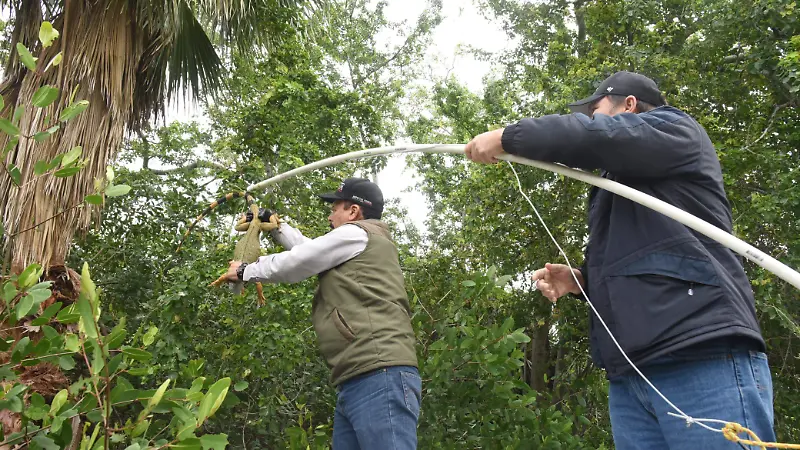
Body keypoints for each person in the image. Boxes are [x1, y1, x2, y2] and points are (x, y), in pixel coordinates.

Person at [463, 71, 775, 449]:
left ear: (628, 105)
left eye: (595, 111)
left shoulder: (674, 129)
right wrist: (583, 280)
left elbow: (596, 136)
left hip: (700, 351)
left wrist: (507, 137)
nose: (591, 120)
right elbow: (644, 252)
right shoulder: (620, 181)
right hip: (631, 376)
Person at [218, 177, 421, 449]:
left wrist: (246, 270)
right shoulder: (358, 240)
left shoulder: (358, 233)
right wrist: (276, 225)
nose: (330, 215)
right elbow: (313, 250)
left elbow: (303, 260)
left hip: (379, 372)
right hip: (359, 376)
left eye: (334, 208)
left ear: (353, 211)